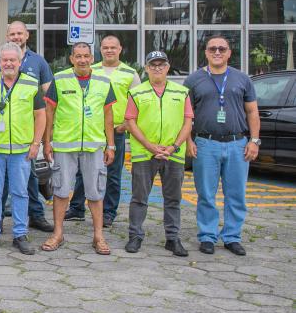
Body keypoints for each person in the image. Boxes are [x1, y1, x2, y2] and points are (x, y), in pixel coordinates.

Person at [184, 35, 260, 256]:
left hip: (237, 144)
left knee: (236, 193)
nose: (217, 52)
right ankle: (207, 236)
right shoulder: (194, 80)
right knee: (206, 193)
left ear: (229, 52)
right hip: (205, 144)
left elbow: (252, 111)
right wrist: (189, 141)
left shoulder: (242, 79)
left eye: (221, 48)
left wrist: (254, 141)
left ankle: (232, 237)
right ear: (206, 52)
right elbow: (185, 115)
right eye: (212, 49)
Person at [42, 42, 116, 255]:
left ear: (92, 58)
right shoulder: (59, 79)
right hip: (65, 145)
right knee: (61, 189)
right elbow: (49, 111)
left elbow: (108, 114)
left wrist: (110, 145)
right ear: (71, 59)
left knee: (95, 192)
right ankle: (58, 233)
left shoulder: (103, 81)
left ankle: (98, 236)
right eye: (78, 56)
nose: (82, 60)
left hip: (94, 145)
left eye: (86, 56)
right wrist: (47, 142)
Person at [0, 21, 55, 233]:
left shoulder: (38, 62)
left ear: (27, 36)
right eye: (12, 34)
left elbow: (47, 103)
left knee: (27, 183)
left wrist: (40, 140)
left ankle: (33, 218)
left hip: (24, 141)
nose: (16, 36)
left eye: (19, 33)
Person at [66, 35, 140, 227]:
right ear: (99, 51)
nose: (109, 51)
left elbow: (137, 103)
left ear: (120, 49)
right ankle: (77, 208)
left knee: (113, 174)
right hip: (91, 130)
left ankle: (108, 213)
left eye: (113, 48)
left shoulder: (130, 73)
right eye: (105, 47)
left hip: (116, 130)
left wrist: (125, 125)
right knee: (83, 172)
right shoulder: (92, 70)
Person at [0, 42, 45, 255]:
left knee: (20, 193)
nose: (8, 63)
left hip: (21, 151)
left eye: (12, 60)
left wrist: (36, 143)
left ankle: (19, 234)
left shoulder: (32, 83)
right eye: (4, 60)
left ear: (20, 62)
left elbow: (40, 115)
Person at [124, 51, 193, 257]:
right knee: (139, 198)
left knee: (173, 198)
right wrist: (150, 146)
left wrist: (174, 146)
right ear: (146, 68)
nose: (157, 68)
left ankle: (172, 239)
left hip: (173, 153)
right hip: (145, 153)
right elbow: (130, 121)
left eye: (161, 65)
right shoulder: (137, 93)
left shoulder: (182, 92)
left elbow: (188, 121)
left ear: (168, 67)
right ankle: (135, 236)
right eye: (152, 65)